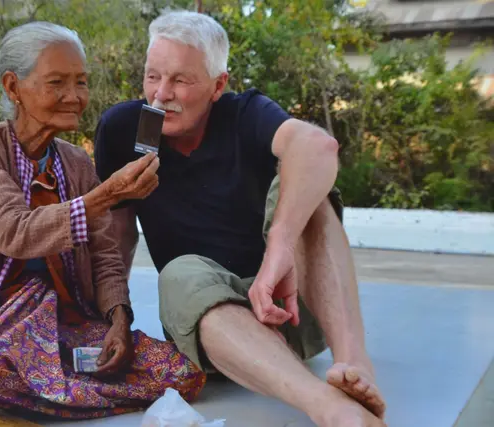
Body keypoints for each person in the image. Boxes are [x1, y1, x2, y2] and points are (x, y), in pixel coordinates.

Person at [94, 10, 387, 427]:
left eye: (181, 79)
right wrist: (114, 315)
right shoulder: (124, 129)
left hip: (289, 310)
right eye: (152, 76)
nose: (161, 94)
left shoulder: (245, 113)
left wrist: (279, 251)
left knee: (307, 191)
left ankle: (354, 366)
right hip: (212, 326)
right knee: (177, 273)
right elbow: (117, 236)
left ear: (218, 86)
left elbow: (319, 147)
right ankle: (329, 406)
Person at [0, 21, 206, 420]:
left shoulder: (76, 162)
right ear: (13, 87)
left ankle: (57, 384)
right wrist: (107, 196)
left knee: (181, 373)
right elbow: (15, 232)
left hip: (67, 321)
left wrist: (118, 319)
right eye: (57, 83)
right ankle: (61, 381)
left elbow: (105, 255)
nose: (74, 96)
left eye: (80, 82)